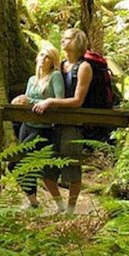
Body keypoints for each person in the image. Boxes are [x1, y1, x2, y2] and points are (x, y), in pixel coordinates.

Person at [32, 27, 93, 212]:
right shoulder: (61, 66)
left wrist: (51, 101)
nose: (63, 41)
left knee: (72, 167)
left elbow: (77, 101)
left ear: (76, 42)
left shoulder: (84, 67)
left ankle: (71, 210)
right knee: (46, 169)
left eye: (67, 39)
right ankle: (59, 205)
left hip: (72, 125)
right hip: (54, 124)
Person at [11, 43, 66, 209]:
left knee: (15, 162)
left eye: (48, 56)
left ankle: (55, 204)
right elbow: (26, 100)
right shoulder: (32, 80)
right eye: (41, 55)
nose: (43, 59)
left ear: (53, 61)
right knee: (23, 164)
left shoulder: (55, 76)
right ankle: (33, 202)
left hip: (43, 129)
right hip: (26, 126)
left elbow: (59, 100)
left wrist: (34, 102)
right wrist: (16, 102)